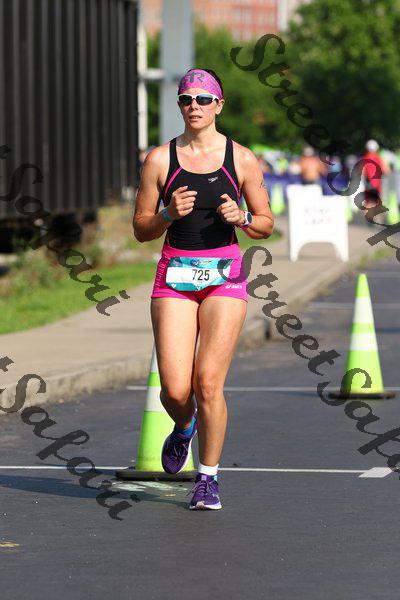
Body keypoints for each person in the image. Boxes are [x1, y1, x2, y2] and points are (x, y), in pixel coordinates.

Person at [133, 68, 274, 510]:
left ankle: (207, 478)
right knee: (176, 391)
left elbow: (266, 224)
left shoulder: (242, 159)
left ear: (219, 105)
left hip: (224, 275)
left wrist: (244, 219)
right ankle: (184, 426)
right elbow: (140, 229)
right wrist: (167, 215)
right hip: (175, 274)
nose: (193, 106)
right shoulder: (160, 160)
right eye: (185, 99)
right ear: (179, 105)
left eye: (202, 98)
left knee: (208, 382)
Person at [362, 139, 390, 209]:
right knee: (375, 203)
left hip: (368, 184)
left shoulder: (365, 158)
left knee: (368, 202)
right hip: (377, 185)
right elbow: (387, 171)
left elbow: (362, 172)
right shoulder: (379, 158)